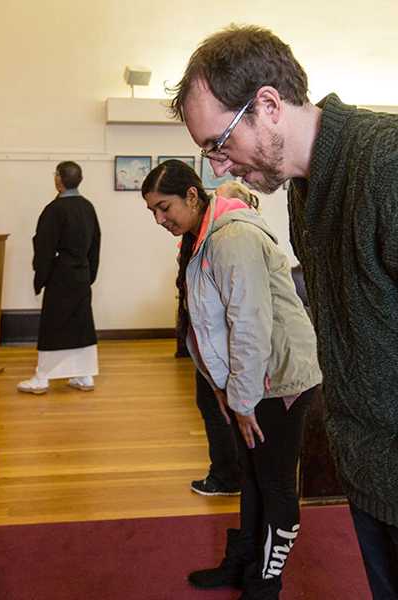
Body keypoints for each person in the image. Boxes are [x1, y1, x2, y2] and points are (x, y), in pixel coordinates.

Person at [171, 24, 398, 599]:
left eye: (219, 144)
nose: (218, 169)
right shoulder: (302, 187)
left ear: (268, 105)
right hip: (369, 471)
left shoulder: (385, 163)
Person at [142, 159, 321, 599]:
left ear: (191, 196)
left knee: (275, 481)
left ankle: (266, 583)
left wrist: (241, 401)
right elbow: (210, 326)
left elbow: (249, 325)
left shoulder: (234, 238)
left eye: (164, 208)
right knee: (252, 474)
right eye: (153, 213)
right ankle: (243, 562)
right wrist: (225, 390)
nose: (160, 220)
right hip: (251, 377)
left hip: (278, 379)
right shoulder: (203, 237)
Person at [185, 181, 259, 498]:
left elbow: (241, 314)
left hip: (225, 347)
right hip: (212, 345)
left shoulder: (232, 240)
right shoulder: (209, 239)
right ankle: (232, 472)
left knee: (224, 411)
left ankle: (228, 475)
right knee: (213, 406)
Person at [17, 161, 101, 394]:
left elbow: (43, 247)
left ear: (59, 180)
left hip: (60, 275)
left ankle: (42, 378)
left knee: (53, 326)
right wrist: (89, 273)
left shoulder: (54, 210)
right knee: (81, 325)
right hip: (82, 274)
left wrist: (41, 276)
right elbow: (96, 244)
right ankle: (85, 376)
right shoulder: (88, 207)